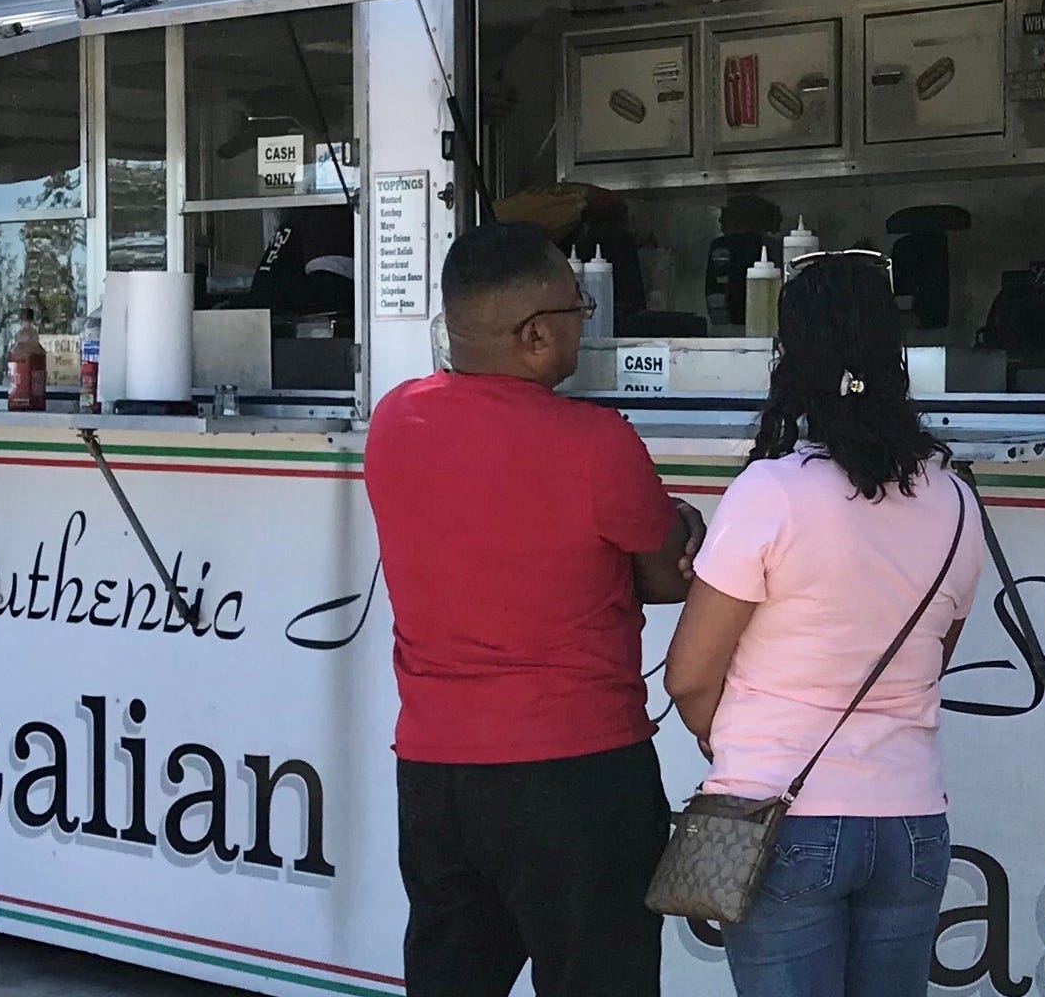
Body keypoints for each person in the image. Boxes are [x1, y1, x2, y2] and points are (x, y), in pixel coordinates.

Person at [365, 220, 705, 997]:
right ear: (535, 334)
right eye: (579, 306)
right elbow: (669, 574)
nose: (585, 321)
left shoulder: (394, 419)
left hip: (435, 773)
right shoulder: (594, 441)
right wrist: (681, 521)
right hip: (576, 772)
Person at [665, 250, 984, 997]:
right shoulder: (957, 500)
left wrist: (729, 737)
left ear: (792, 360)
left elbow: (688, 677)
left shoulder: (771, 492)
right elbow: (929, 660)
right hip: (912, 825)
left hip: (782, 819)